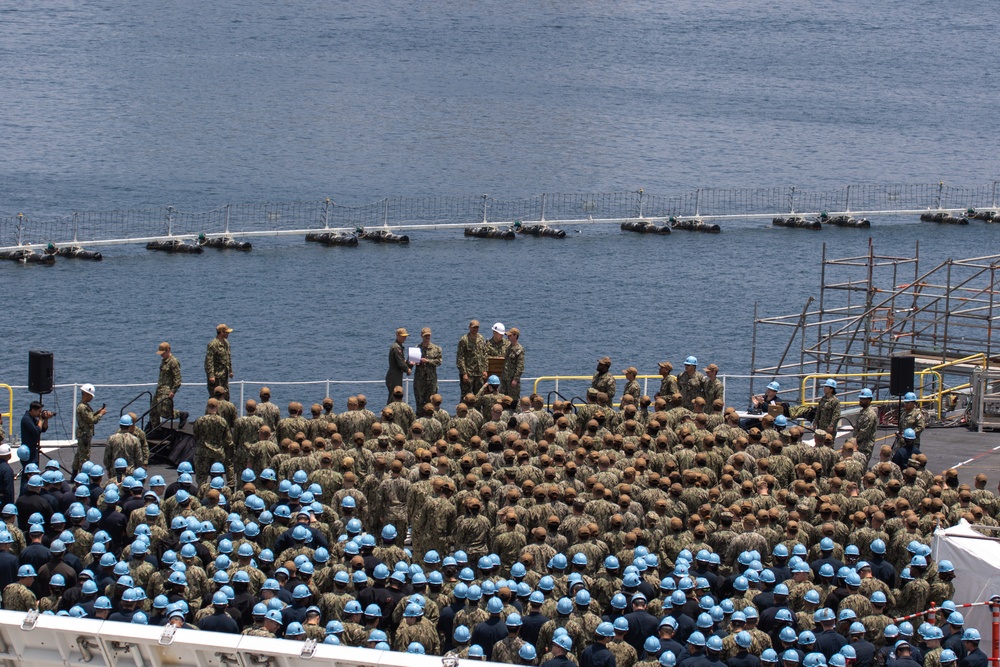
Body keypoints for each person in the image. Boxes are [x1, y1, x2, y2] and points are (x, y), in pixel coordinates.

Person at [73, 383, 106, 476]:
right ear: (86, 394)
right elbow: (91, 420)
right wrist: (100, 414)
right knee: (84, 456)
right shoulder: (83, 407)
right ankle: (83, 476)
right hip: (84, 435)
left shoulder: (82, 405)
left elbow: (88, 417)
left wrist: (97, 412)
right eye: (91, 396)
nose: (91, 398)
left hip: (83, 434)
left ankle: (74, 474)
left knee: (79, 454)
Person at [151, 342, 183, 429]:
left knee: (164, 411)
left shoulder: (173, 362)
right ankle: (156, 429)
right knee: (153, 411)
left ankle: (181, 414)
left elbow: (178, 379)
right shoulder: (164, 362)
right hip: (159, 389)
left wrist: (173, 391)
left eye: (163, 353)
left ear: (168, 350)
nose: (161, 355)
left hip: (167, 390)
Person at [414, 328, 443, 410]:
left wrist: (427, 361)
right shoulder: (417, 348)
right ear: (421, 336)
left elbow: (439, 362)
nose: (427, 337)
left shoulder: (437, 349)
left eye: (428, 335)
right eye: (425, 336)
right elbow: (412, 362)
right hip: (419, 380)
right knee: (419, 403)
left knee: (431, 403)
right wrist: (414, 362)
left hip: (431, 380)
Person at [458, 320, 488, 397]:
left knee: (479, 397)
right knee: (466, 397)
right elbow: (460, 358)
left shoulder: (481, 338)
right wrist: (464, 373)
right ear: (469, 327)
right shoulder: (464, 340)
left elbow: (485, 355)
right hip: (469, 373)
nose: (475, 329)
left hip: (479, 374)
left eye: (477, 327)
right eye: (474, 327)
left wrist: (485, 370)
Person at [205, 323, 234, 397]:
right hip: (216, 376)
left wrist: (230, 370)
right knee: (215, 397)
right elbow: (209, 361)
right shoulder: (213, 344)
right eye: (227, 332)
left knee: (226, 396)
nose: (228, 334)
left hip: (225, 376)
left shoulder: (226, 343)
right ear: (222, 332)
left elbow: (228, 357)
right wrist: (211, 376)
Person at [386, 328, 413, 404]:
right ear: (397, 335)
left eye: (405, 336)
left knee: (395, 396)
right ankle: (387, 413)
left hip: (396, 374)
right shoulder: (396, 348)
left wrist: (408, 363)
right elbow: (400, 362)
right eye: (402, 336)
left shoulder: (398, 346)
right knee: (393, 396)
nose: (404, 338)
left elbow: (401, 361)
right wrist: (407, 369)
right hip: (394, 375)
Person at [19, 401, 51, 467]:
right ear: (33, 410)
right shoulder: (26, 419)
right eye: (39, 411)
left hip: (33, 449)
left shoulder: (32, 418)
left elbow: (43, 429)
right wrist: (41, 419)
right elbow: (36, 431)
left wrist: (46, 419)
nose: (40, 413)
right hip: (28, 450)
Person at [853, 388, 878, 461]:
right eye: (860, 398)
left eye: (863, 399)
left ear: (869, 400)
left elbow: (863, 433)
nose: (861, 400)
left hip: (864, 448)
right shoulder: (862, 412)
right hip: (858, 446)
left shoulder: (870, 415)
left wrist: (852, 441)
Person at [501, 328, 525, 401]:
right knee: (504, 398)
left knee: (513, 400)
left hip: (512, 379)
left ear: (515, 336)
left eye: (510, 335)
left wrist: (515, 379)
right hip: (505, 378)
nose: (508, 337)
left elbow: (520, 366)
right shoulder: (508, 348)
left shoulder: (519, 349)